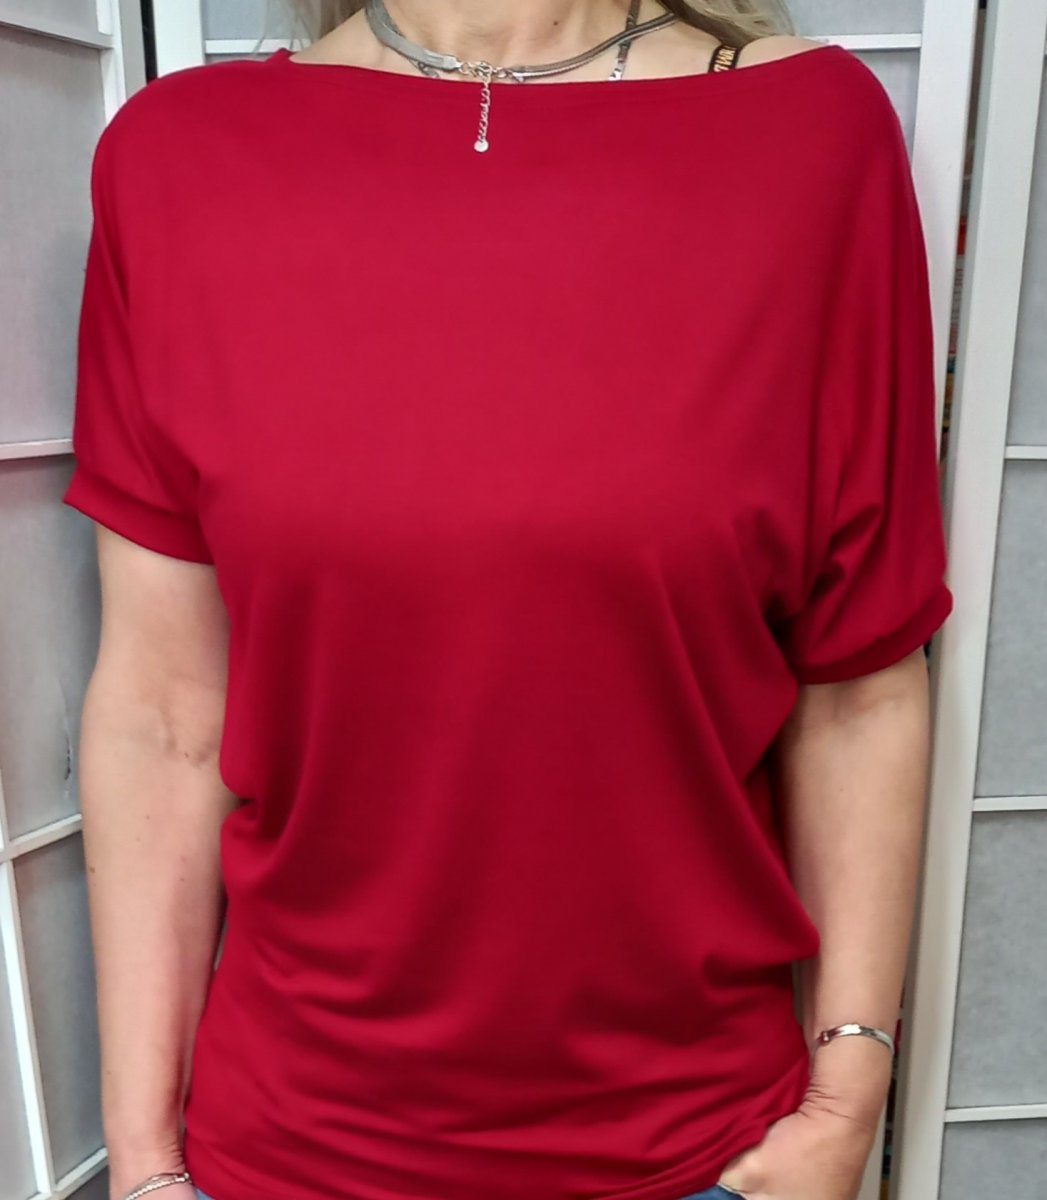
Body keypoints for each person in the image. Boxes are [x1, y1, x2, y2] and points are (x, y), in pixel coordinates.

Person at [63, 1, 955, 1199]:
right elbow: (164, 715)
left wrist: (848, 1100)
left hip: (701, 1157)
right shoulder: (179, 160)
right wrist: (142, 1163)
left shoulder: (813, 140)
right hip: (287, 1154)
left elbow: (857, 687)